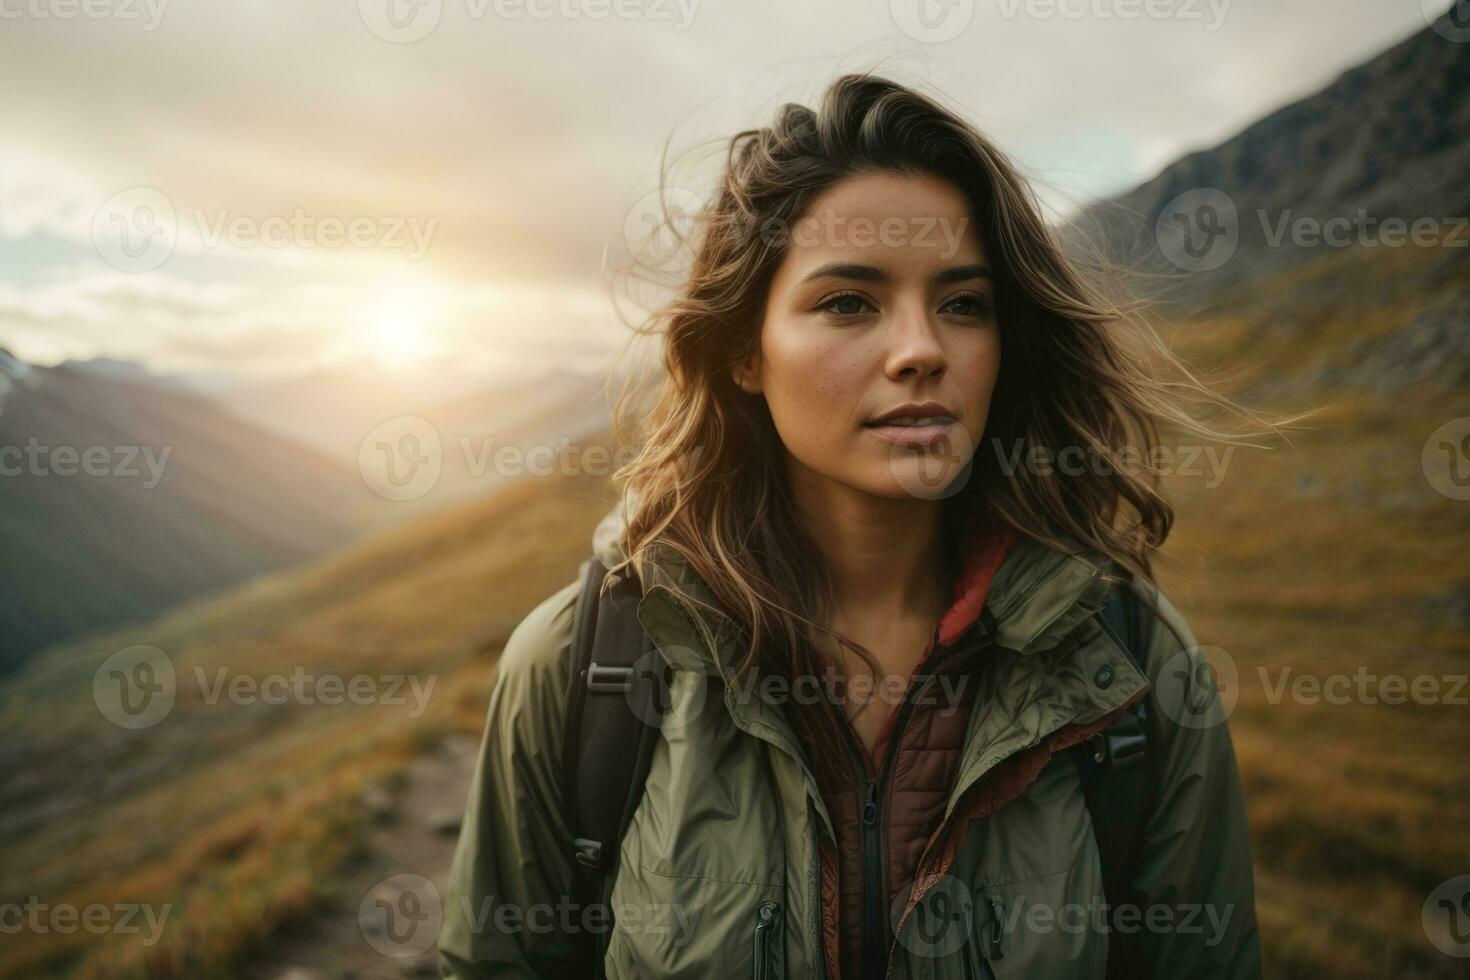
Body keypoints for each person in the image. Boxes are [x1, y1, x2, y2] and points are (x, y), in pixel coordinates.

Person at [438, 72, 1267, 979]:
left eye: (963, 303)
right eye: (848, 303)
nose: (922, 349)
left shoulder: (1136, 667)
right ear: (745, 352)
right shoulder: (581, 667)